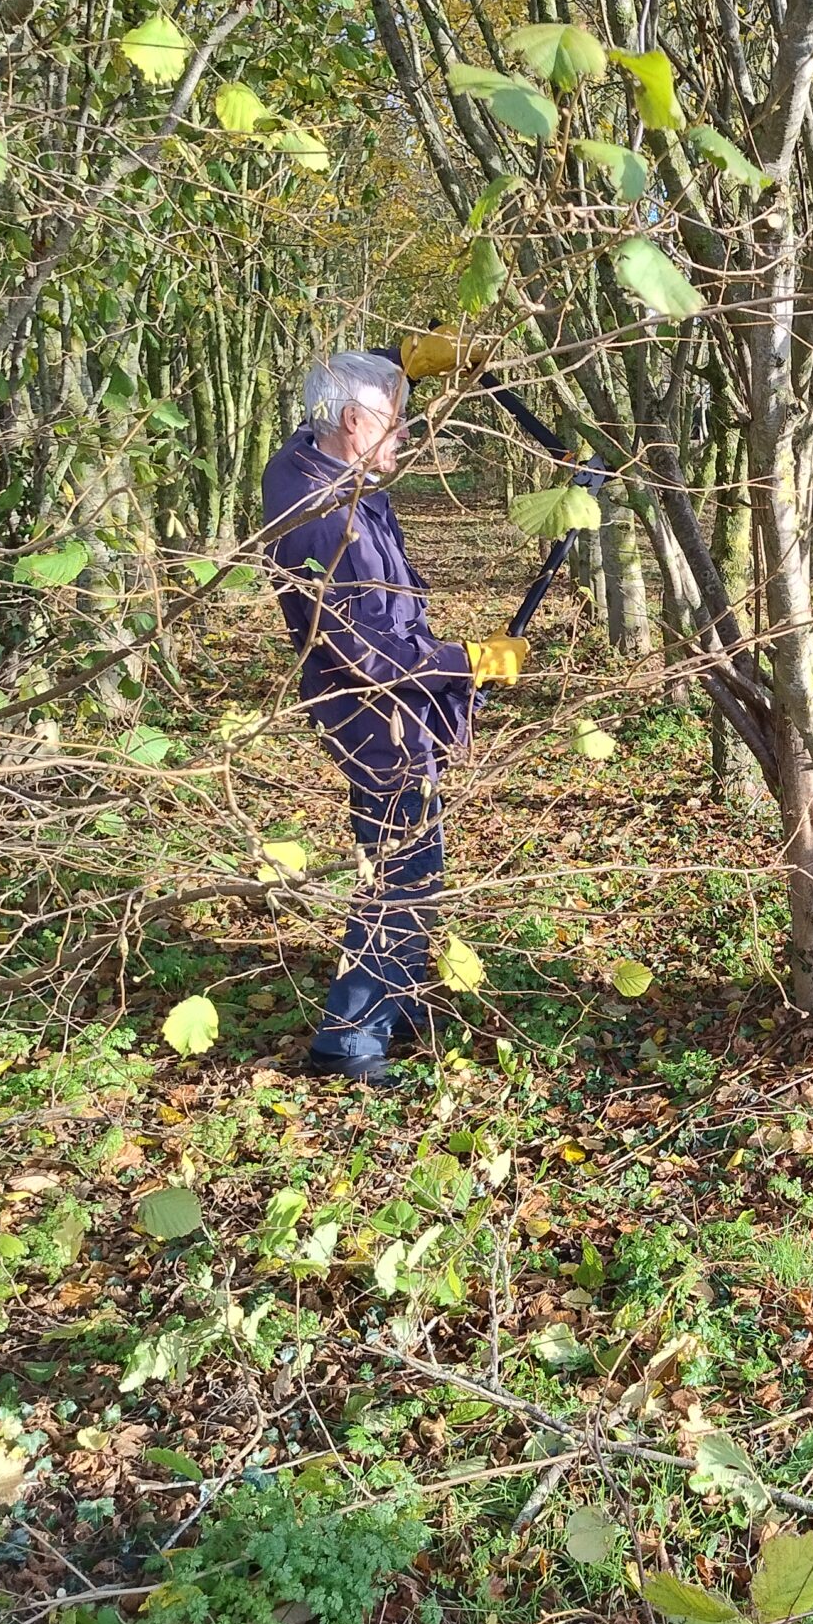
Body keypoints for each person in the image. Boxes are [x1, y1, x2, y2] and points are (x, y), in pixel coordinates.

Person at [261, 340, 527, 1084]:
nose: (406, 436)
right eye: (397, 423)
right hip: (372, 711)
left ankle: (398, 999)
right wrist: (469, 659)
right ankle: (349, 1038)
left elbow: (352, 387)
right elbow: (365, 651)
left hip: (384, 703)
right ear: (353, 421)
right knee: (404, 868)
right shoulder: (320, 516)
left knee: (414, 856)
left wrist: (405, 360)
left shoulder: (311, 460)